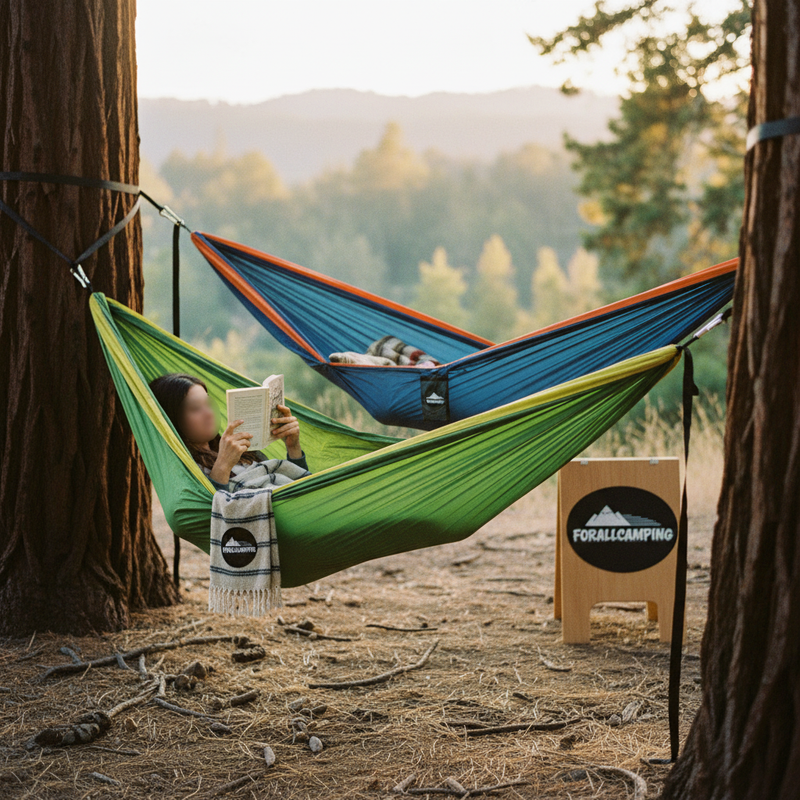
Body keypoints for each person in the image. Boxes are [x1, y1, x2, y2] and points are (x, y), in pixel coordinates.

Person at [149, 373, 309, 491]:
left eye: (208, 403)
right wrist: (223, 464)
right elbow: (212, 515)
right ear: (172, 419)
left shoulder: (243, 452)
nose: (209, 413)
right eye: (196, 408)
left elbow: (299, 487)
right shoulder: (186, 472)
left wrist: (293, 447)